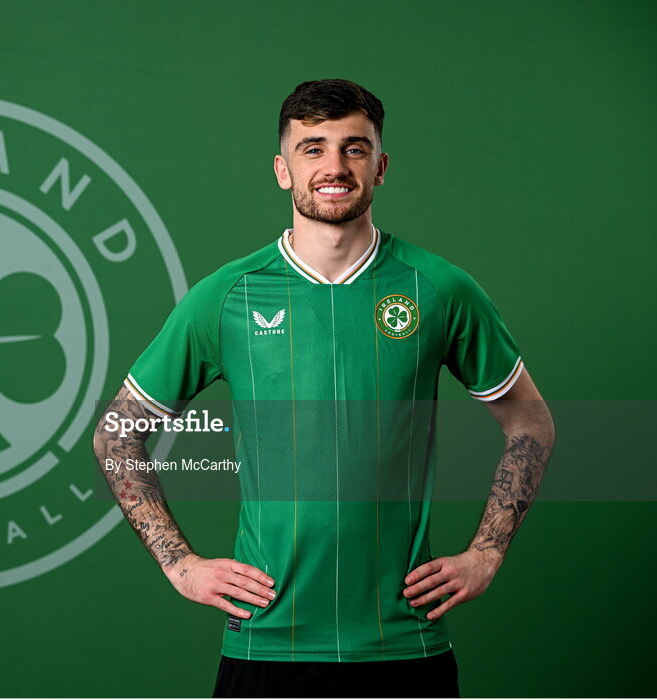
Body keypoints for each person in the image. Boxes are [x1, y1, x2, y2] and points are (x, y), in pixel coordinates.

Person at [93, 79, 555, 698]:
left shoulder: (440, 289)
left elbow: (530, 422)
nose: (334, 167)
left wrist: (486, 552)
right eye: (313, 149)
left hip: (404, 644)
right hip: (266, 643)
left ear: (381, 166)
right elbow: (117, 433)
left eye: (354, 148)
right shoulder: (226, 297)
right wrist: (180, 564)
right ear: (283, 170)